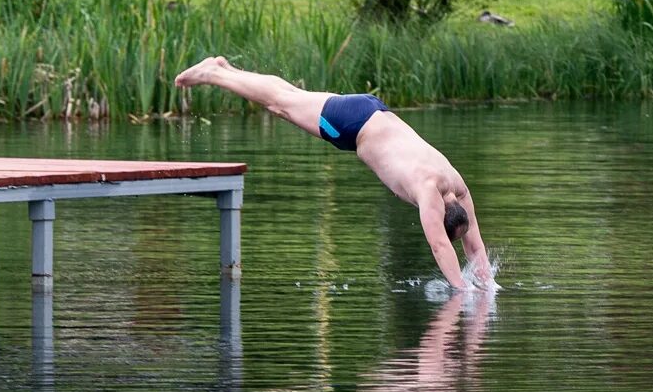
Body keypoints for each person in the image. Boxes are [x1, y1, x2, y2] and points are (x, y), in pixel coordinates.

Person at [174, 56, 494, 289]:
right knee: (280, 104)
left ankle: (228, 71)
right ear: (440, 212)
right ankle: (212, 74)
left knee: (288, 98)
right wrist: (462, 294)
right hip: (350, 127)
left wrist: (489, 290)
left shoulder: (457, 187)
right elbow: (440, 247)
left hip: (370, 111)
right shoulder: (429, 193)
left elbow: (474, 247)